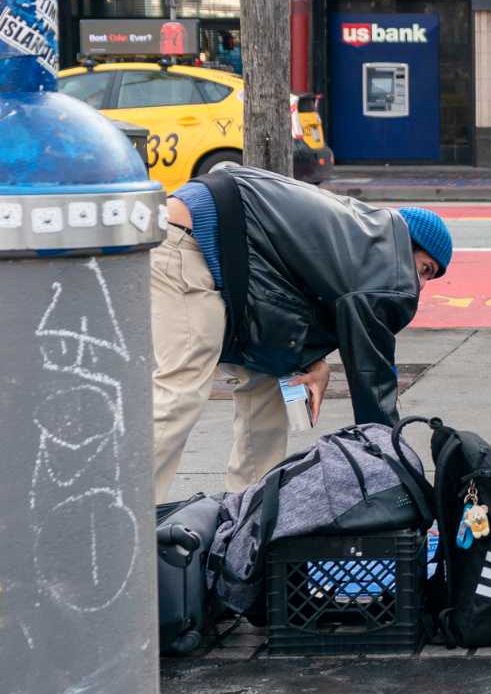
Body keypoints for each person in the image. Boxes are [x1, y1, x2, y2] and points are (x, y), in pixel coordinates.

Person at [151, 166, 449, 502]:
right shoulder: (383, 259)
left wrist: (311, 360)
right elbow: (372, 377)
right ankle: (118, 522)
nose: (420, 286)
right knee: (181, 391)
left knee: (267, 385)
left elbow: (288, 298)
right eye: (424, 269)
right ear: (406, 243)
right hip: (190, 243)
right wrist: (392, 465)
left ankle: (246, 516)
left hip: (213, 241)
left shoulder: (351, 237)